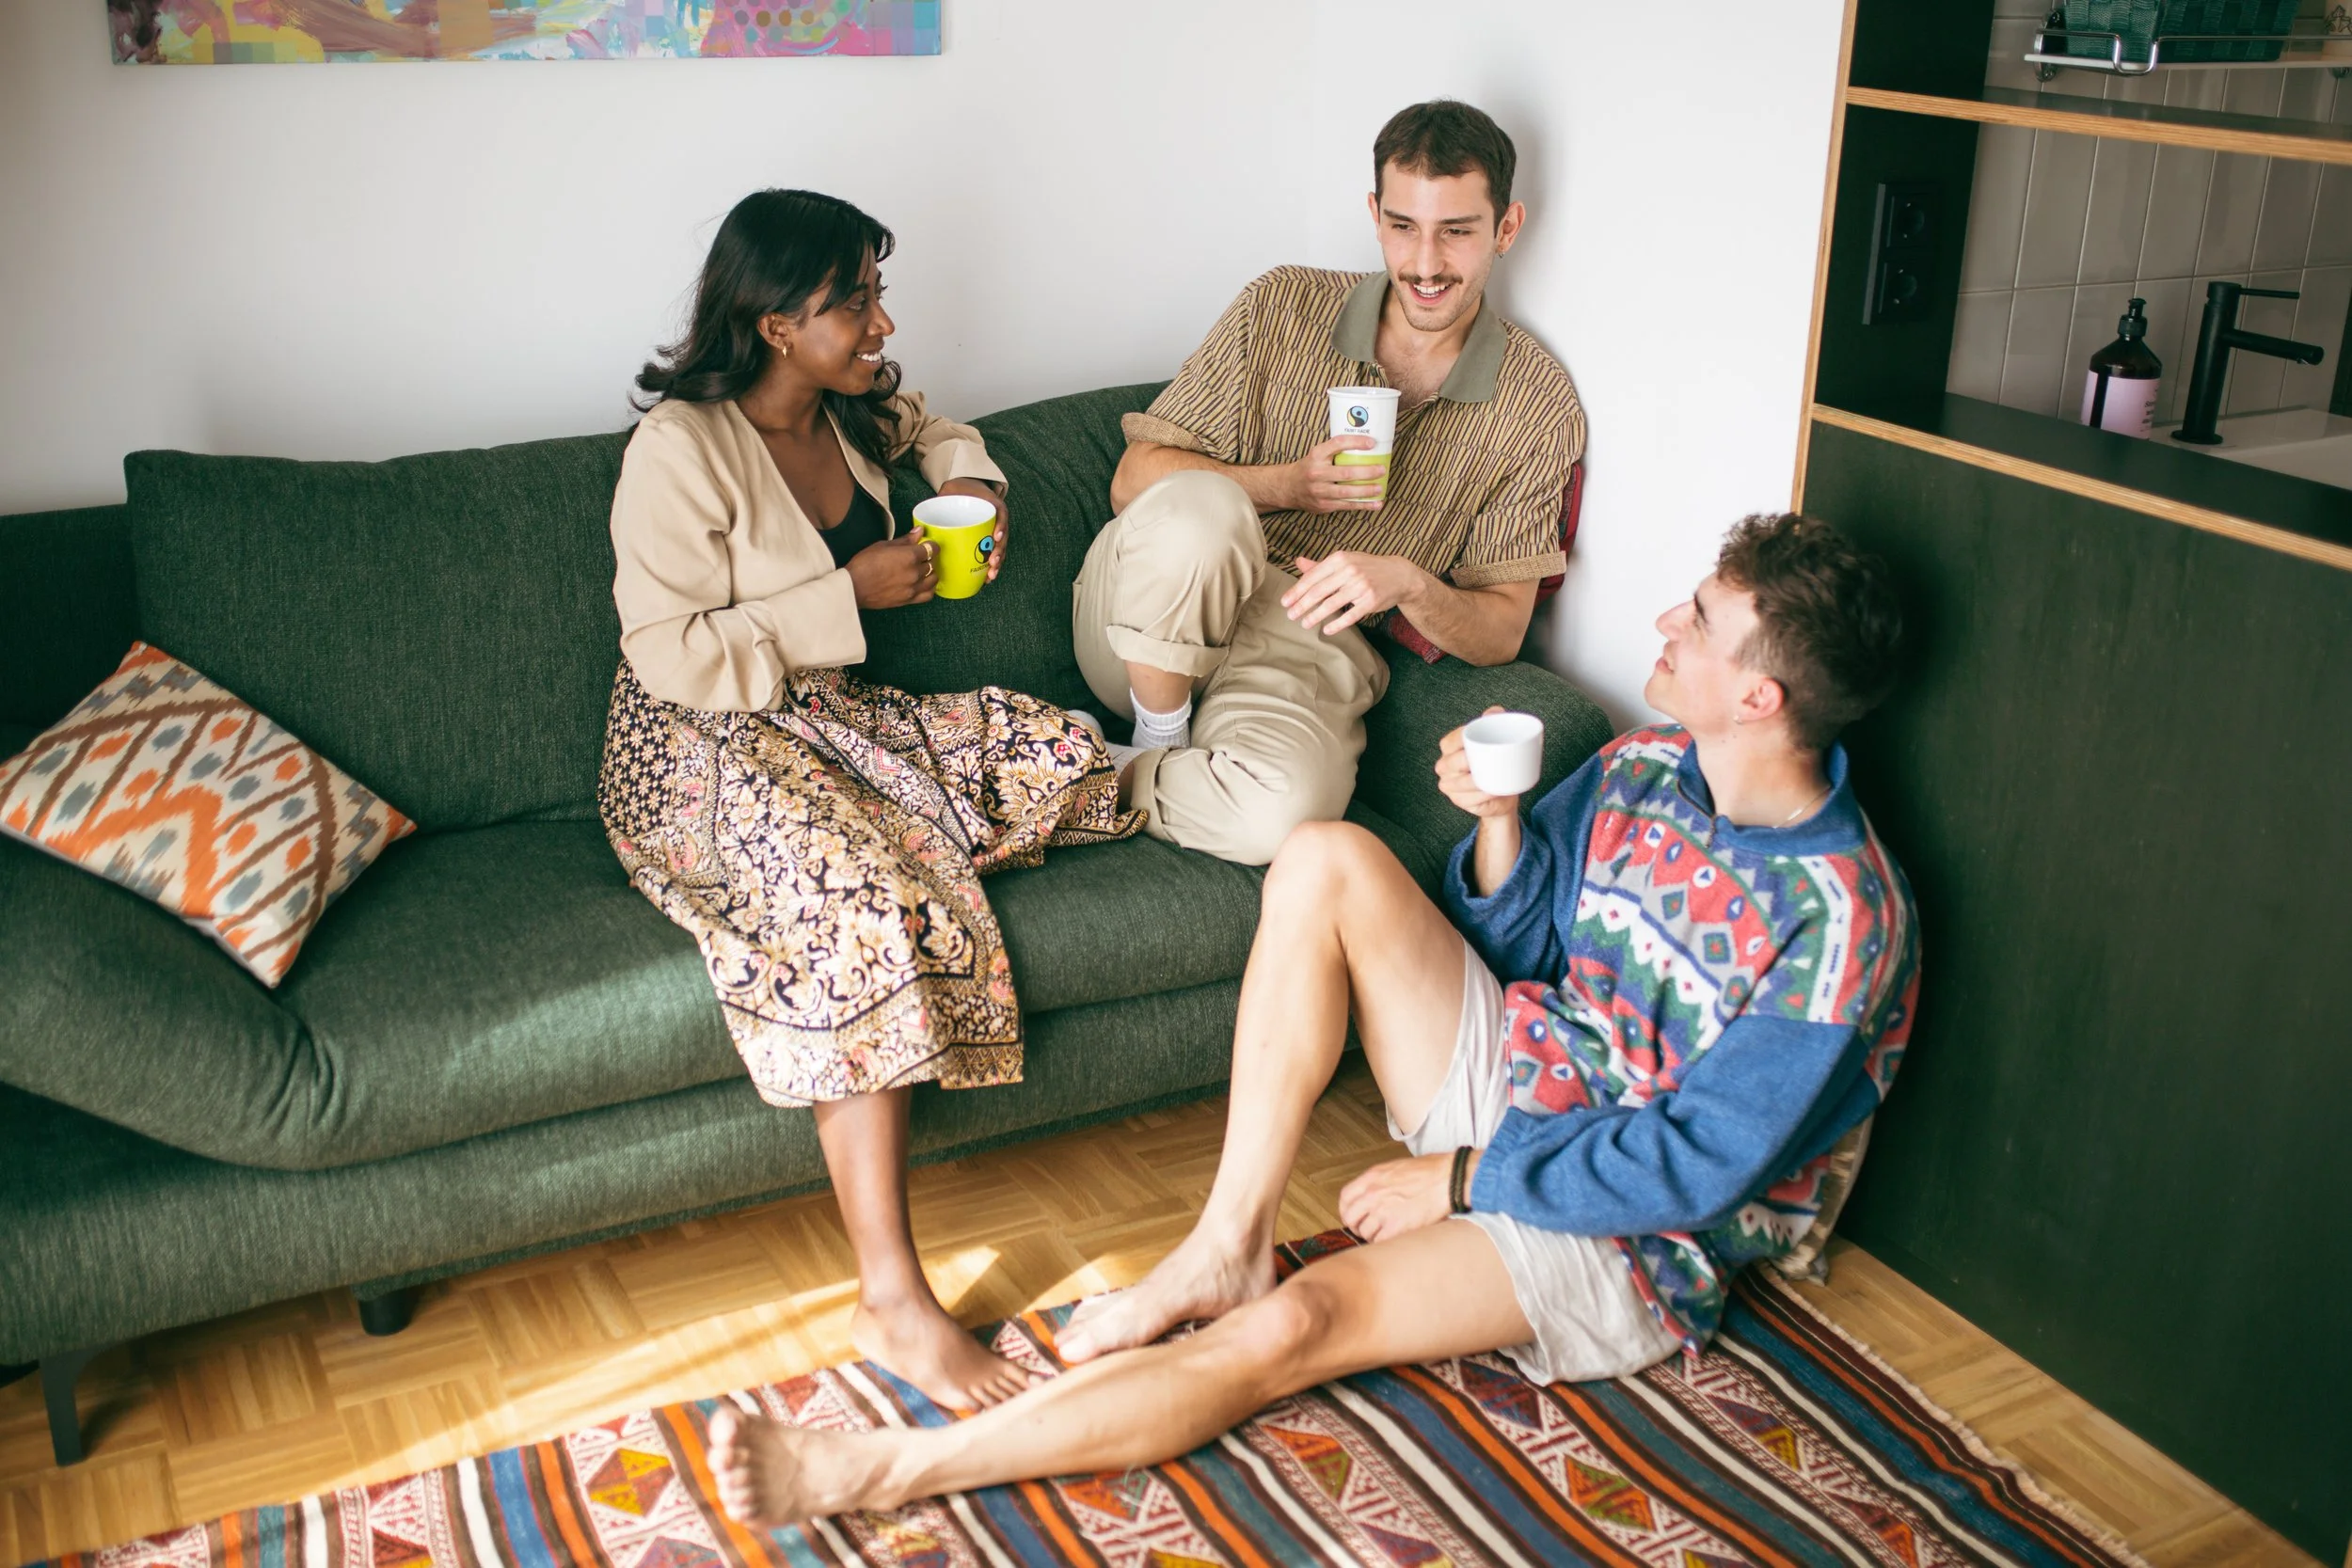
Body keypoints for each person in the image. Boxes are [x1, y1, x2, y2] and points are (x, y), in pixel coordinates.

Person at [703, 511, 1921, 1524]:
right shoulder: (1648, 765)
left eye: (1699, 620)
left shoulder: (1843, 918)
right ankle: (1224, 1236)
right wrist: (1499, 827)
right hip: (1535, 1065)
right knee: (1325, 853)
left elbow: (1693, 1167)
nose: (1667, 621)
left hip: (1627, 1226)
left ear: (1760, 694)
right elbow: (1512, 946)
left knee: (1304, 1315)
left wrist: (1462, 1178)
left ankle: (876, 1469)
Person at [598, 189, 1141, 1411]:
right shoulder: (679, 451)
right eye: (857, 300)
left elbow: (947, 436)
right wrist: (847, 596)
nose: (881, 320)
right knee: (858, 908)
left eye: (875, 294)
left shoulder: (857, 406)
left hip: (825, 715)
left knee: (1057, 749)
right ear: (777, 319)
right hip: (701, 742)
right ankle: (891, 1294)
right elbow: (669, 652)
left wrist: (983, 493)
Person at [1076, 99, 1588, 864]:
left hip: (1306, 652)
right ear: (1375, 216)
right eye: (1405, 226)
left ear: (1505, 229)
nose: (1424, 263)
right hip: (1149, 618)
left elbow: (1502, 631)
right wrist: (1288, 484)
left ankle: (1105, 772)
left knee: (1281, 822)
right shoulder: (1281, 304)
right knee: (1205, 513)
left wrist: (1409, 584)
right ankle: (1160, 730)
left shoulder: (1535, 403)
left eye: (1457, 231)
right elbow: (1133, 483)